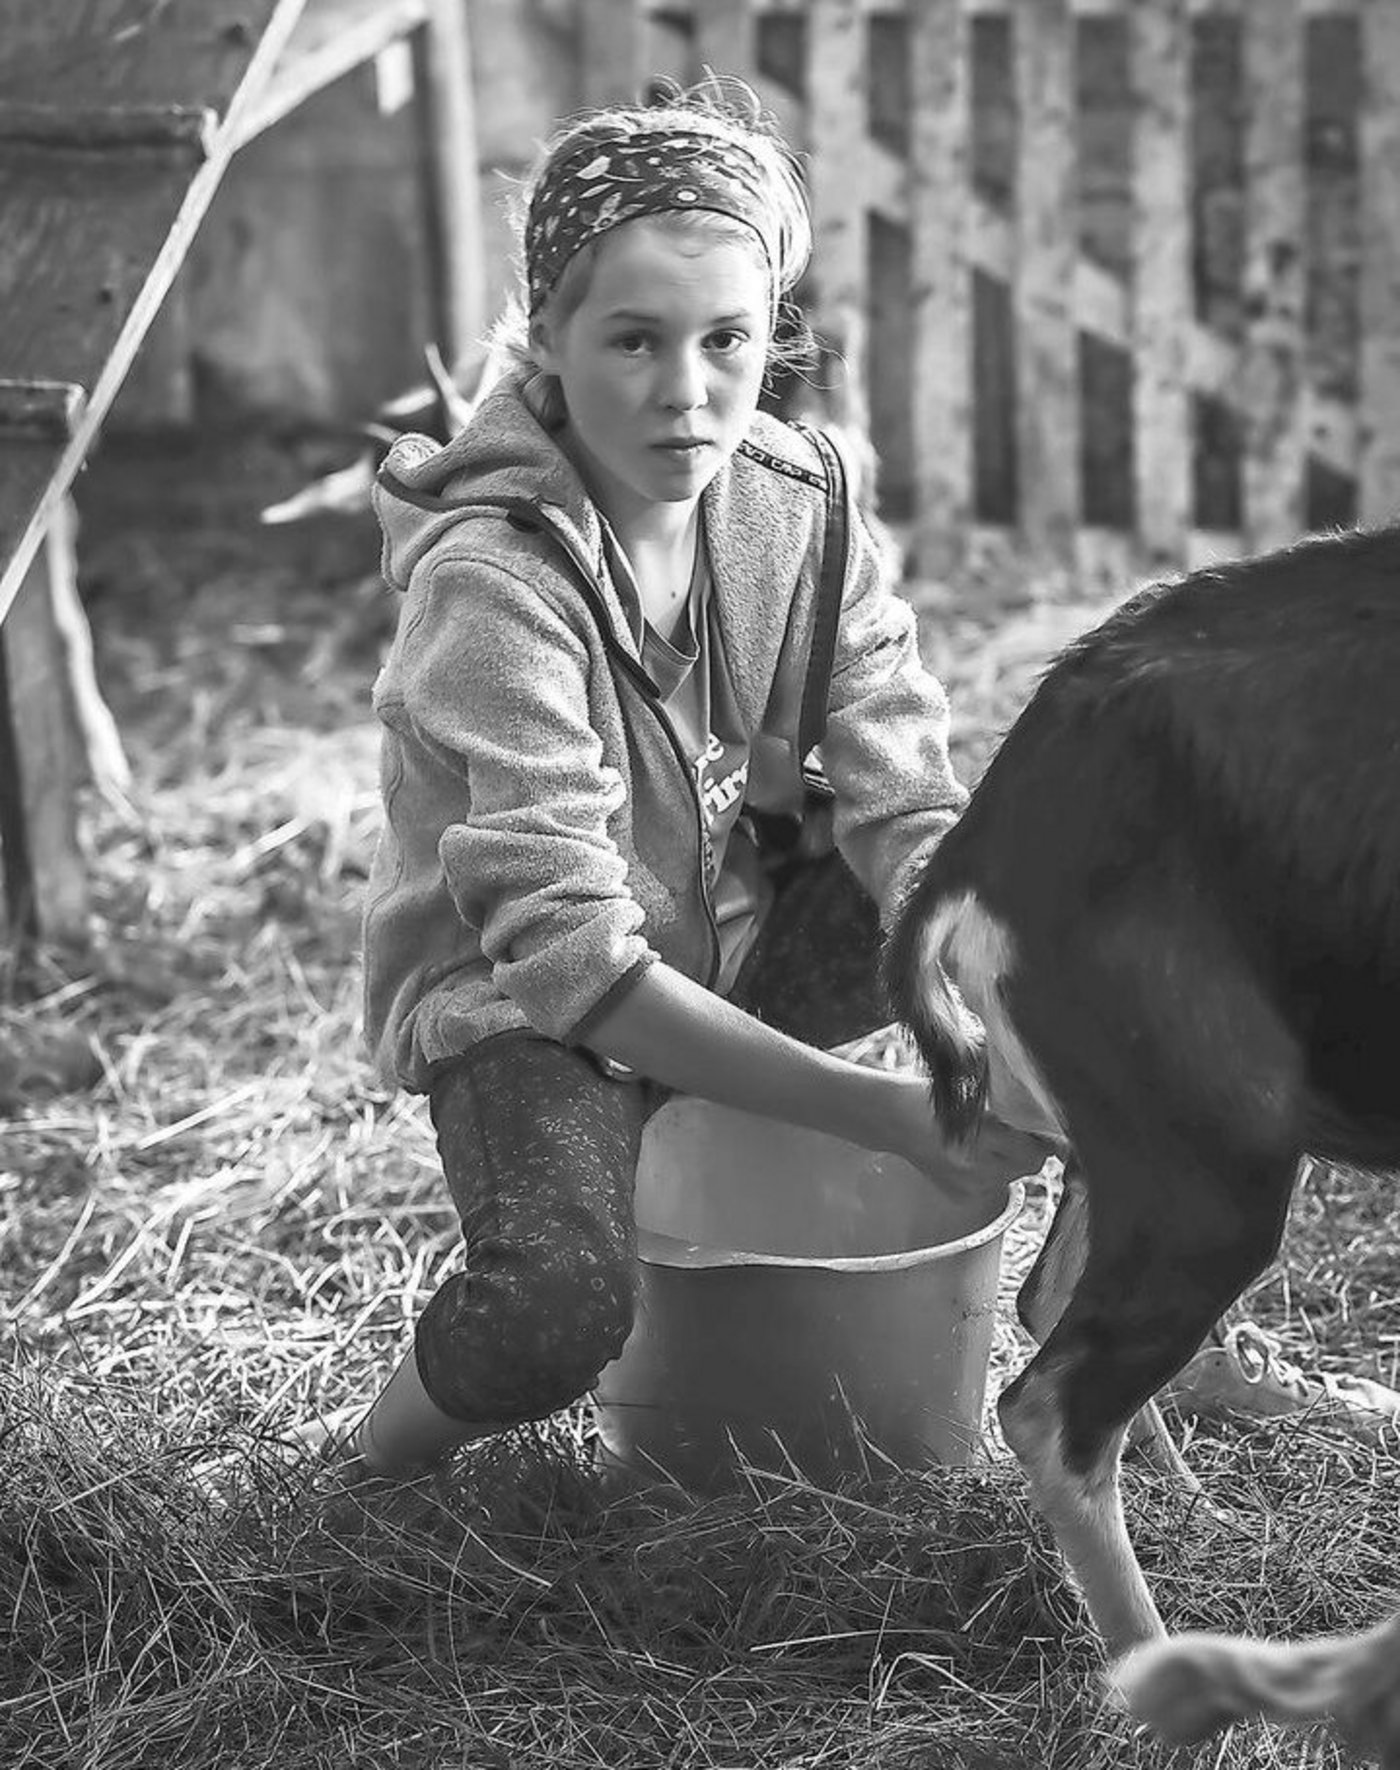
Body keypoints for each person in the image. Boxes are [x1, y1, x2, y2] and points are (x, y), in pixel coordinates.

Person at [305, 78, 1049, 1481]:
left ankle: (1141, 1327)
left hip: (724, 931)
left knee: (1048, 924)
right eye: (635, 339)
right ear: (548, 333)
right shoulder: (494, 584)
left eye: (726, 340)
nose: (687, 392)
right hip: (530, 1005)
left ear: (771, 334)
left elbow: (905, 800)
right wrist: (894, 1114)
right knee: (556, 1309)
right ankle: (363, 1475)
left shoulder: (798, 509)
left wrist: (995, 1019)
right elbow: (571, 963)